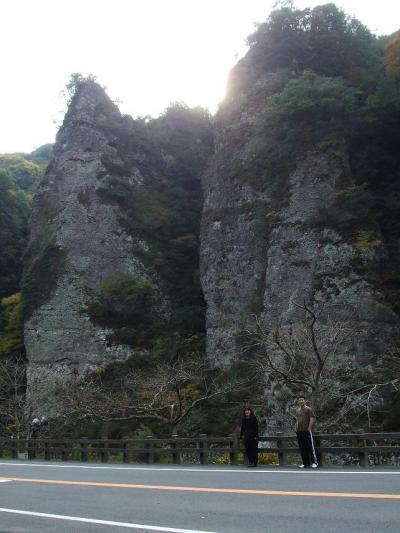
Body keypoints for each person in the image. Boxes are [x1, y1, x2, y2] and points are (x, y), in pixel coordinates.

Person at [295, 395, 318, 468]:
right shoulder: (297, 410)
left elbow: (312, 419)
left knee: (310, 446)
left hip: (306, 430)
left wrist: (309, 428)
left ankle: (314, 462)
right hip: (299, 431)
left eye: (302, 400)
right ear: (298, 401)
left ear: (305, 401)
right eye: (299, 400)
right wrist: (296, 428)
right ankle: (305, 463)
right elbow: (297, 420)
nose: (301, 401)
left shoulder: (309, 409)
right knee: (302, 447)